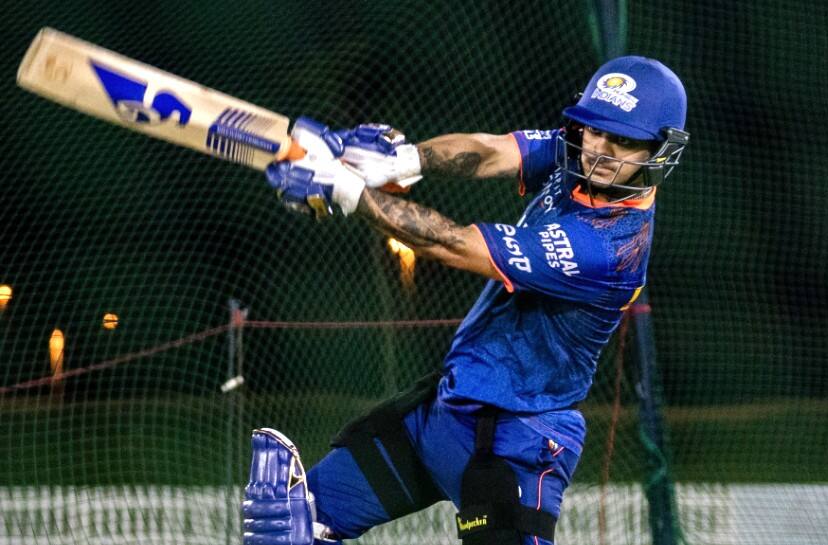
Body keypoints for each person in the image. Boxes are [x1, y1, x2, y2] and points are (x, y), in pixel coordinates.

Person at [241, 56, 689, 545]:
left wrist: (348, 190)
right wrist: (403, 160)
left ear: (659, 149)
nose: (598, 149)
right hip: (444, 414)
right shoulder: (577, 157)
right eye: (593, 130)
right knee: (289, 527)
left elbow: (452, 245)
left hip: (517, 441)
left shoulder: (610, 248)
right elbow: (492, 150)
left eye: (621, 140)